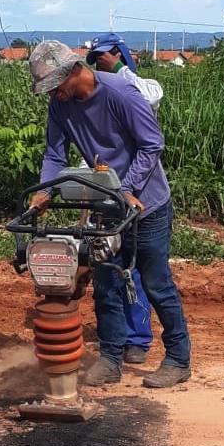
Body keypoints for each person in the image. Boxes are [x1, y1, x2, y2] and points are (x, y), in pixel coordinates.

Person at [28, 41, 191, 388]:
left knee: (156, 283)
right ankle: (111, 358)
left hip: (147, 204)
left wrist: (127, 188)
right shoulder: (61, 106)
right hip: (105, 203)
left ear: (74, 72)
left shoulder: (121, 93)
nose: (54, 95)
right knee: (106, 284)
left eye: (56, 87)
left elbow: (152, 144)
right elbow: (55, 155)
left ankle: (178, 359)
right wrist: (44, 191)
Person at [85, 32, 164, 365]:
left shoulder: (140, 86)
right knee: (106, 267)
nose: (100, 62)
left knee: (135, 270)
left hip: (140, 188)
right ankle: (114, 346)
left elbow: (146, 98)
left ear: (118, 53)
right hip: (107, 187)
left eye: (104, 55)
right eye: (96, 58)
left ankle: (138, 339)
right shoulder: (90, 100)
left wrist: (119, 68)